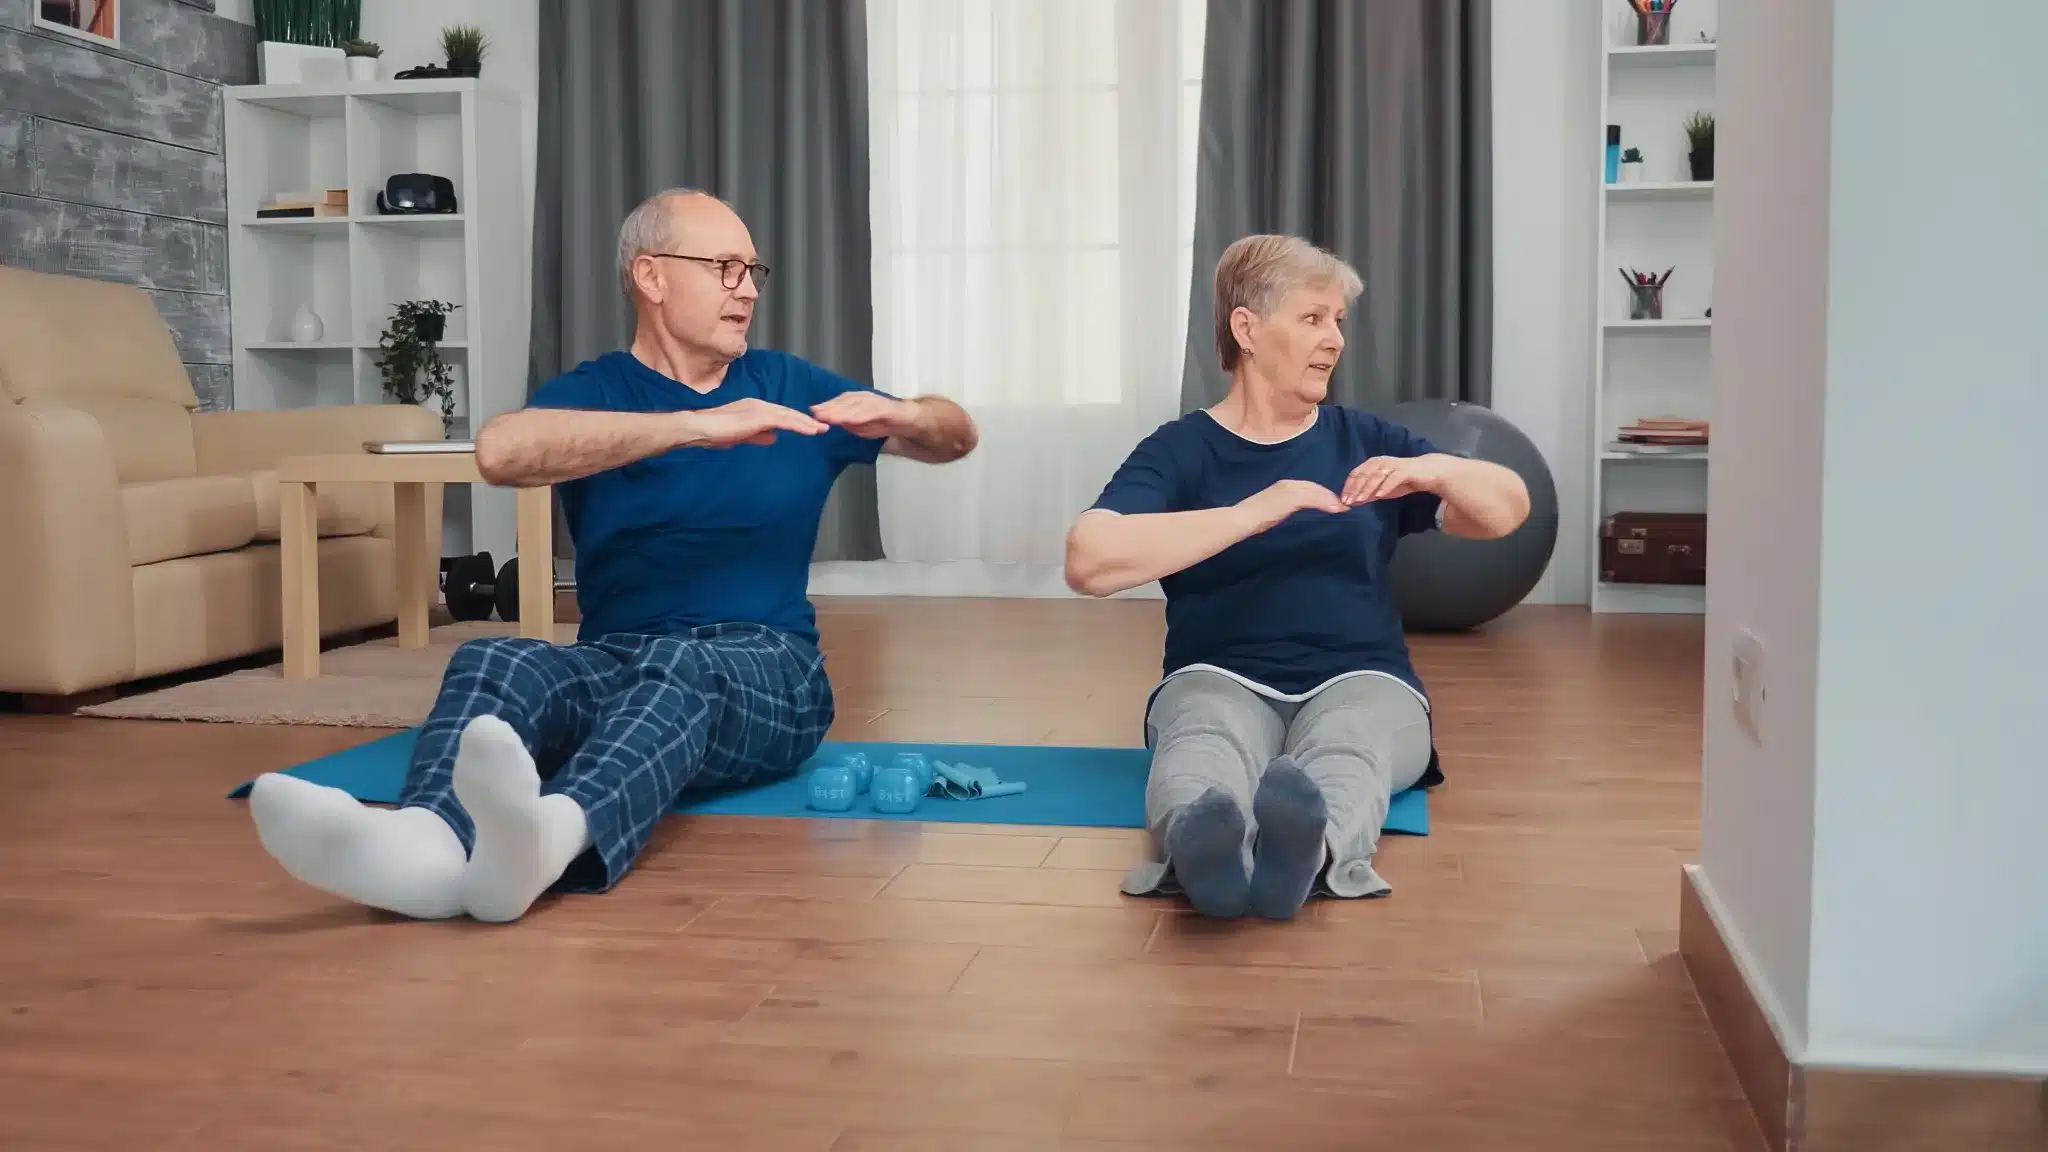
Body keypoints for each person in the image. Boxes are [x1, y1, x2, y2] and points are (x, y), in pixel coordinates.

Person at [247, 188, 979, 923]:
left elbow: (955, 436)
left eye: (753, 271)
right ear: (651, 276)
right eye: (725, 268)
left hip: (771, 672)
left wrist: (911, 414)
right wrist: (694, 426)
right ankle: (424, 846)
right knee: (494, 659)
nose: (748, 289)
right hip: (616, 664)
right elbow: (502, 452)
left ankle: (552, 837)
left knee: (683, 664)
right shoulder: (596, 391)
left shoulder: (790, 387)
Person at [1064, 234, 1529, 921]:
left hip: (1363, 678)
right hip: (1218, 675)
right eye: (1313, 318)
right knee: (1203, 747)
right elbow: (1088, 560)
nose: (1335, 339)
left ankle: (1306, 855)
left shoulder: (1366, 442)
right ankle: (1205, 857)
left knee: (1350, 747)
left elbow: (1507, 510)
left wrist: (1437, 469)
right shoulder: (1181, 449)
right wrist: (1252, 511)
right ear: (1247, 329)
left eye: (1337, 320)